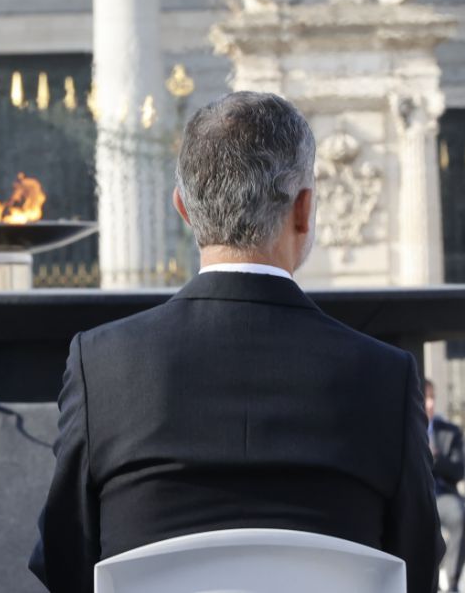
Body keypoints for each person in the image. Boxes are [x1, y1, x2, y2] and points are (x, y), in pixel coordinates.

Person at [29, 91, 443, 593]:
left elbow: (64, 558)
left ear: (184, 208)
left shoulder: (103, 364)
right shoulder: (385, 375)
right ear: (305, 209)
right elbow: (415, 566)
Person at [426, 380, 465, 592]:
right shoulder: (401, 429)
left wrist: (437, 458)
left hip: (442, 494)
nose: (430, 403)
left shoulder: (450, 432)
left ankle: (452, 582)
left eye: (433, 397)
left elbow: (459, 471)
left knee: (460, 516)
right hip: (415, 496)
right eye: (426, 397)